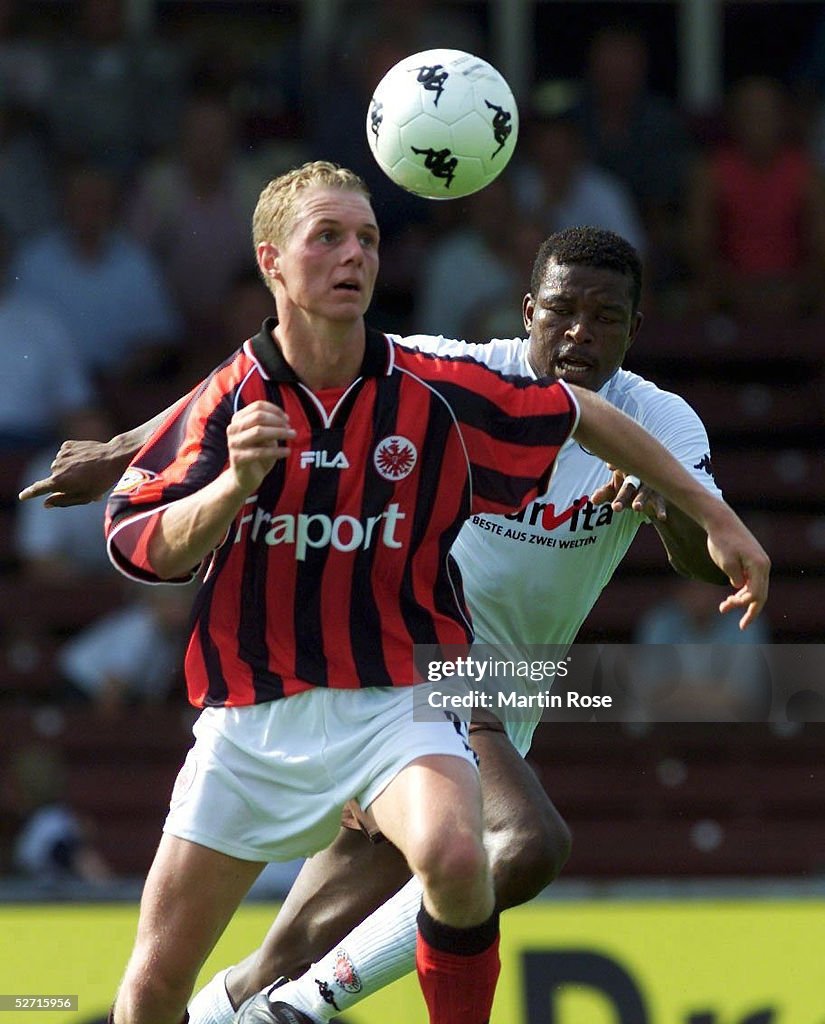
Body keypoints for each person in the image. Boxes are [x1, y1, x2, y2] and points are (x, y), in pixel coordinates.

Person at [22, 167, 768, 1024]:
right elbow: (266, 376)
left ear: (634, 329)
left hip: (504, 690)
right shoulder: (456, 373)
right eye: (560, 312)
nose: (577, 334)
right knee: (518, 847)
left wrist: (674, 508)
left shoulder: (659, 424)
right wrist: (122, 451)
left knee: (300, 936)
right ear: (525, 312)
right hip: (423, 664)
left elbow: (704, 564)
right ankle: (304, 1008)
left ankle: (239, 1007)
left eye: (604, 319)